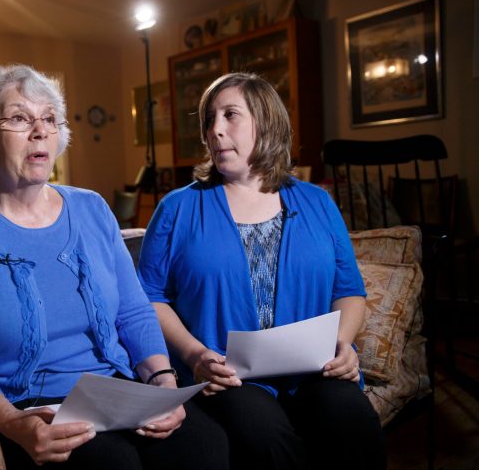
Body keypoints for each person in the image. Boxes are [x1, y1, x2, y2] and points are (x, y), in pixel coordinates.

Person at [0, 64, 228, 469]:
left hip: (118, 390)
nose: (40, 131)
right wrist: (13, 423)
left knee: (206, 446)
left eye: (48, 119)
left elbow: (133, 312)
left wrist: (163, 386)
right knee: (113, 463)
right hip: (34, 407)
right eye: (19, 118)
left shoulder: (92, 208)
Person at [137, 72, 386, 470]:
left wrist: (342, 344)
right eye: (209, 120)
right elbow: (148, 297)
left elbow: (349, 288)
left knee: (352, 422)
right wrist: (196, 354)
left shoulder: (317, 202)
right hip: (228, 377)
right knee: (263, 435)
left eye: (230, 115)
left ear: (265, 122)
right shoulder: (177, 208)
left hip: (314, 368)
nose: (215, 130)